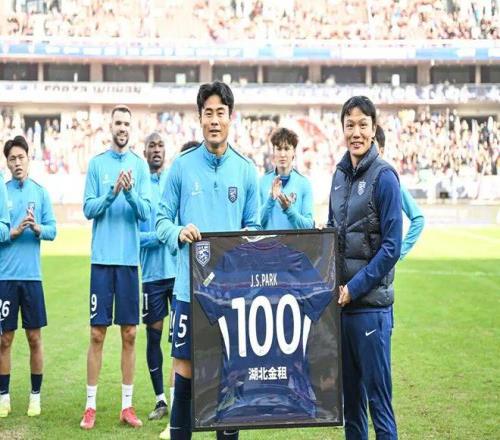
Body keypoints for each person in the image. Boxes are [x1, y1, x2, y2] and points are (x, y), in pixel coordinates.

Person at [156, 80, 260, 440]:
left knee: (230, 377)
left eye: (220, 113)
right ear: (199, 118)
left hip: (232, 295)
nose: (214, 120)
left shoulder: (245, 170)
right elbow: (161, 219)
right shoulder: (182, 167)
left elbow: (255, 226)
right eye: (208, 113)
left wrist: (246, 238)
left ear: (231, 117)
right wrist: (178, 232)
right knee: (184, 373)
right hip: (189, 292)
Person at [328, 96, 402, 440]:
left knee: (379, 406)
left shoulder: (385, 177)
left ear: (373, 130)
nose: (355, 132)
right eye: (350, 125)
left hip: (370, 310)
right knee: (352, 409)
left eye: (362, 125)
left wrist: (354, 288)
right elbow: (333, 233)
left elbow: (392, 247)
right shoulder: (339, 175)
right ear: (343, 129)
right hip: (342, 310)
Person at [80, 105, 151, 430]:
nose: (122, 128)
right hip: (102, 261)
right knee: (97, 334)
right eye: (118, 123)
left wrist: (131, 192)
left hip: (128, 263)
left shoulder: (140, 165)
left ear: (130, 129)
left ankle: (127, 406)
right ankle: (90, 406)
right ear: (110, 127)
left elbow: (146, 212)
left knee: (130, 334)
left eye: (126, 123)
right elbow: (88, 209)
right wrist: (113, 193)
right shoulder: (97, 164)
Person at [0, 135, 57, 418]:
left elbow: (53, 230)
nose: (17, 163)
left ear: (29, 159)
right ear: (7, 163)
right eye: (12, 159)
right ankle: (4, 397)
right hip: (5, 277)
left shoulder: (40, 192)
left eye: (21, 157)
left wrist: (37, 229)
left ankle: (35, 396)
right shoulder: (2, 193)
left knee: (34, 337)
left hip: (32, 277)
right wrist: (11, 232)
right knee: (4, 339)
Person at [140, 132, 177, 420]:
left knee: (180, 340)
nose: (156, 150)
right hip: (151, 276)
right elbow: (135, 237)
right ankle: (160, 400)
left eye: (160, 145)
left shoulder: (173, 182)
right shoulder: (139, 187)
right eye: (152, 145)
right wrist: (161, 236)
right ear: (145, 152)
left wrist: (169, 234)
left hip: (177, 274)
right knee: (153, 337)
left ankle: (179, 400)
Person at [375, 126, 425, 259]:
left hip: (381, 266)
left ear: (381, 151)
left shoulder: (390, 182)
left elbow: (418, 219)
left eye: (372, 147)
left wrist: (398, 252)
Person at [259, 127, 314, 230]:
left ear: (294, 152)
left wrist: (289, 209)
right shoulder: (262, 182)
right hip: (269, 241)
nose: (282, 154)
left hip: (294, 241)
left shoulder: (304, 184)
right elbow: (256, 224)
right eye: (279, 149)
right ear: (273, 152)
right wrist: (271, 199)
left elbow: (309, 226)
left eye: (287, 149)